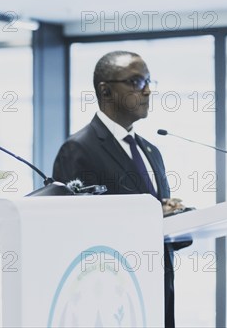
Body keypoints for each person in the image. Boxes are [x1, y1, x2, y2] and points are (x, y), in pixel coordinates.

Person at [52, 50, 188, 328]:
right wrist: (148, 215)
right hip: (113, 300)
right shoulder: (78, 149)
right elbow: (75, 233)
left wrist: (174, 214)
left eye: (150, 81)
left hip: (159, 291)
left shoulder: (151, 150)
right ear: (106, 90)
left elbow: (158, 218)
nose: (148, 91)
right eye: (137, 82)